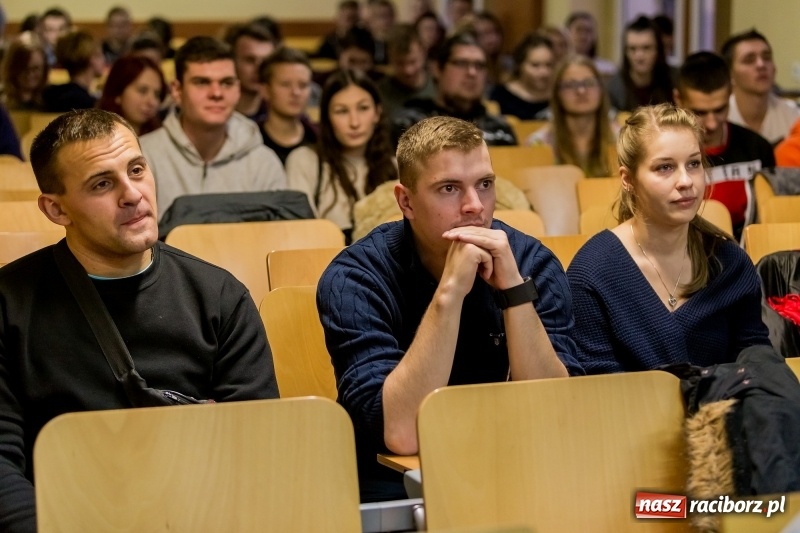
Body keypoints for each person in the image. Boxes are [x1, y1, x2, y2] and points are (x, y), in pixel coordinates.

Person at [0, 108, 279, 533]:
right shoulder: (9, 304)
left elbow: (257, 447)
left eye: (136, 169)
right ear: (56, 209)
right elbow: (2, 463)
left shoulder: (219, 296)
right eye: (102, 183)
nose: (132, 194)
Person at [318, 115, 582, 501]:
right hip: (395, 485)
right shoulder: (355, 277)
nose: (475, 206)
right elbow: (402, 433)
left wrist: (514, 292)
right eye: (449, 188)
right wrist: (450, 293)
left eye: (485, 184)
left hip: (513, 464)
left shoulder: (531, 262)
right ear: (406, 201)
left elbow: (555, 414)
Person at [567, 103, 770, 374]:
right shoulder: (592, 272)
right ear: (628, 179)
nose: (686, 181)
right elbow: (599, 386)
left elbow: (758, 364)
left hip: (726, 401)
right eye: (665, 167)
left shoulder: (729, 263)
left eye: (694, 164)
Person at [139, 36, 286, 220]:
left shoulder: (263, 163)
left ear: (238, 89)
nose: (216, 93)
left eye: (227, 83)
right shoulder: (143, 157)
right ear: (177, 90)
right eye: (202, 82)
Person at [286, 69, 396, 242]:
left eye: (363, 108)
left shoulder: (397, 166)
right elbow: (301, 235)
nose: (354, 122)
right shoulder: (304, 161)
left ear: (377, 113)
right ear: (327, 118)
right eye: (341, 111)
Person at [672, 51, 775, 238]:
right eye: (700, 113)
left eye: (720, 109)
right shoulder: (666, 153)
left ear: (730, 94)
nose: (712, 123)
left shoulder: (758, 148)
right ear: (678, 99)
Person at [392, 31, 516, 147]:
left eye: (479, 65)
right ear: (437, 69)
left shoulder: (500, 130)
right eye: (462, 63)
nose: (472, 73)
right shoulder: (411, 125)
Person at [528, 55, 615, 176]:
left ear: (601, 90)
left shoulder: (621, 140)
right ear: (557, 94)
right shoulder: (539, 143)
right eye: (570, 85)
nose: (581, 91)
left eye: (589, 83)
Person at [722, 29, 800, 145]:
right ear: (730, 74)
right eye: (749, 60)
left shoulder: (793, 115)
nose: (761, 65)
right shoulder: (720, 116)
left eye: (767, 58)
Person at [257, 47, 317, 165]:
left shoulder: (319, 140)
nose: (296, 92)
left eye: (303, 85)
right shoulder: (250, 142)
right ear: (265, 90)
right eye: (285, 84)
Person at [607, 16, 674, 112]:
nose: (639, 56)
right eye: (632, 49)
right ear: (626, 52)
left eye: (646, 48)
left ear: (658, 50)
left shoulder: (675, 80)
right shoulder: (614, 87)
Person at [489, 32, 553, 120]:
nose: (544, 72)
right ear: (520, 65)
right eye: (535, 65)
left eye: (549, 65)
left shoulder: (560, 95)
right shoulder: (501, 96)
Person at [376, 24, 435, 119]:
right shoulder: (379, 93)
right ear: (390, 57)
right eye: (400, 63)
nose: (408, 70)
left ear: (424, 53)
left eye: (413, 61)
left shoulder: (439, 87)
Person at [97, 55, 166, 136]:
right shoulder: (94, 137)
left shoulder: (161, 138)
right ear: (118, 92)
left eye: (157, 95)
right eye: (142, 91)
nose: (152, 102)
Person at [223, 23, 277, 123]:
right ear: (231, 61)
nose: (259, 68)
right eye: (250, 60)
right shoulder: (215, 113)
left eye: (265, 61)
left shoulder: (279, 114)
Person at [42, 30, 105, 112]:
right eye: (99, 55)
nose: (103, 60)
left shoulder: (50, 94)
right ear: (91, 59)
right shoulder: (86, 103)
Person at [1, 31, 49, 111]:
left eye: (35, 68)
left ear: (44, 69)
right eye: (24, 68)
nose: (30, 74)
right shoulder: (1, 103)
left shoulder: (53, 101)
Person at [564, 11, 616, 76]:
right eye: (579, 30)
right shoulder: (560, 67)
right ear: (567, 33)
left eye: (588, 31)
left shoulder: (607, 69)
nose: (583, 36)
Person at [363, 0, 396, 65]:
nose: (386, 20)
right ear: (372, 19)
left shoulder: (398, 40)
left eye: (389, 15)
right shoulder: (364, 40)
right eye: (382, 16)